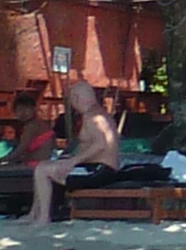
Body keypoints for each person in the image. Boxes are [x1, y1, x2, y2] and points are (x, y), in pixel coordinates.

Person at [29, 83, 124, 223]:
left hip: (99, 170)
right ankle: (34, 214)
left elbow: (101, 144)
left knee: (43, 170)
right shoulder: (98, 113)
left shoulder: (93, 117)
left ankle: (43, 218)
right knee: (43, 166)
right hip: (96, 167)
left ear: (76, 98)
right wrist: (71, 158)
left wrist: (73, 161)